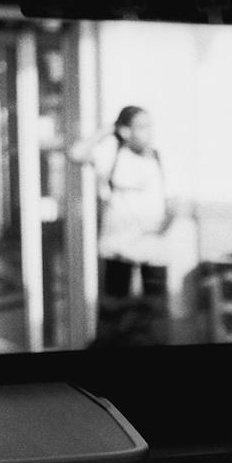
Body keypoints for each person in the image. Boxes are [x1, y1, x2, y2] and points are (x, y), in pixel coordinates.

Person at [69, 105, 175, 345]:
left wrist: (163, 227)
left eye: (150, 125)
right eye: (142, 126)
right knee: (114, 314)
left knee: (155, 315)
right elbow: (76, 154)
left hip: (152, 251)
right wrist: (106, 130)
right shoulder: (112, 155)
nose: (149, 132)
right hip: (118, 249)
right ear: (126, 131)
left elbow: (173, 202)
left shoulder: (159, 157)